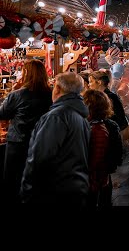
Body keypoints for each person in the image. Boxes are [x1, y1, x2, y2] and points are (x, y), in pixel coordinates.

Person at [20, 72, 90, 206]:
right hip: (76, 188)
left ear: (57, 89)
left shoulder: (56, 117)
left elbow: (40, 158)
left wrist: (27, 191)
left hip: (54, 192)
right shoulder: (80, 116)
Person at [0, 60, 52, 204]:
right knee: (37, 179)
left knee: (14, 178)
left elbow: (2, 114)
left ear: (26, 73)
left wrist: (11, 93)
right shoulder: (52, 93)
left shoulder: (17, 95)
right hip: (42, 142)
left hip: (18, 143)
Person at [83, 89, 120, 208]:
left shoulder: (93, 128)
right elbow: (118, 154)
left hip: (94, 178)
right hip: (105, 175)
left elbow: (94, 161)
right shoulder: (111, 125)